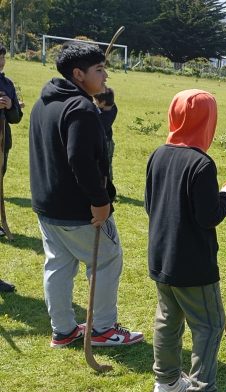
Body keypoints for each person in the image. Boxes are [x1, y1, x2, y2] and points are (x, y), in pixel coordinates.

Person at [28, 41, 143, 348]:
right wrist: (100, 201)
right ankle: (103, 329)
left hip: (47, 205)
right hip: (81, 209)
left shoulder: (46, 102)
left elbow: (86, 137)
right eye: (100, 70)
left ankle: (63, 330)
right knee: (106, 260)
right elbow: (81, 158)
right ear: (78, 74)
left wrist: (106, 110)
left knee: (58, 264)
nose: (106, 77)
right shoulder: (80, 109)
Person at [145, 89, 226, 392]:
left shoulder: (157, 155)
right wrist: (225, 197)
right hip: (193, 264)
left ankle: (167, 383)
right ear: (207, 121)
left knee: (167, 319)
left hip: (161, 257)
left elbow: (150, 205)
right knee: (209, 325)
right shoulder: (201, 164)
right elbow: (207, 216)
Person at [0, 42, 24, 238]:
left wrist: (10, 106)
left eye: (3, 57)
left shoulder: (8, 85)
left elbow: (16, 118)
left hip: (2, 142)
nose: (1, 61)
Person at [94, 87, 117, 181]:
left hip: (104, 143)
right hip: (108, 142)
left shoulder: (104, 117)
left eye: (95, 100)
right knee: (107, 165)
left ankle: (106, 185)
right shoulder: (113, 107)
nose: (94, 102)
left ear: (103, 103)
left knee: (102, 166)